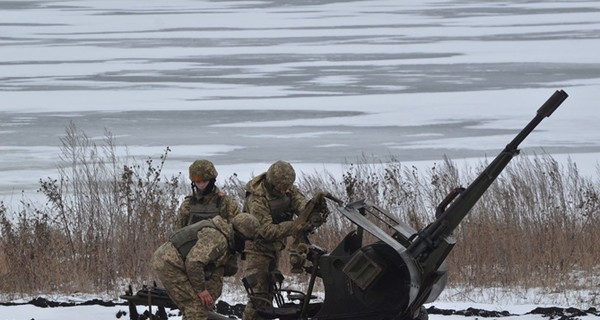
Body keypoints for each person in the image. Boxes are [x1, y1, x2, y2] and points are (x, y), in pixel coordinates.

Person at [151, 213, 259, 320]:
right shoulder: (218, 239)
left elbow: (223, 270)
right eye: (249, 242)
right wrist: (201, 290)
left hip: (179, 263)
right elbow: (194, 263)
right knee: (195, 307)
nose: (250, 246)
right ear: (240, 236)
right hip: (170, 263)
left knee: (198, 308)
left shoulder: (227, 242)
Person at [242, 160, 310, 320]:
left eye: (288, 186)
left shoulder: (286, 188)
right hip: (256, 250)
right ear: (273, 184)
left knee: (271, 292)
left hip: (274, 249)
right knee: (258, 298)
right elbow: (266, 231)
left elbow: (299, 202)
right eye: (282, 187)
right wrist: (294, 225)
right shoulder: (257, 199)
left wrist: (307, 212)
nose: (286, 190)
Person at [176, 159, 240, 229]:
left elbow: (237, 232)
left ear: (212, 180)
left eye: (205, 181)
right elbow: (178, 233)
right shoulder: (187, 205)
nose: (201, 185)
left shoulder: (227, 203)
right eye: (198, 182)